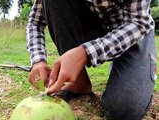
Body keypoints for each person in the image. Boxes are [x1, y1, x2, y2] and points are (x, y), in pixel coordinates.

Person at [26, 0, 157, 119]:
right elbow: (35, 22)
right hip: (94, 25)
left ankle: (129, 63)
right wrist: (38, 61)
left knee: (124, 108)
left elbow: (138, 23)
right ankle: (79, 82)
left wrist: (86, 53)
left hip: (133, 31)